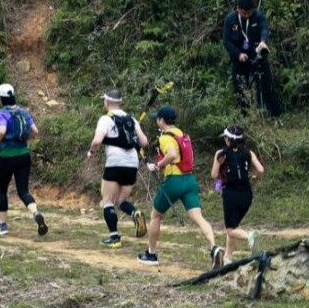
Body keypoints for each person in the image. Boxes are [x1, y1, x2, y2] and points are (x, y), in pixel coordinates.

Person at [139, 106, 223, 269]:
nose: (157, 120)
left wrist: (157, 166)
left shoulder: (165, 137)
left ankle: (151, 253)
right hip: (190, 180)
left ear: (162, 120)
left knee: (155, 215)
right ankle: (214, 247)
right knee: (198, 217)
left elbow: (171, 155)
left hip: (174, 181)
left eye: (158, 118)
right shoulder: (182, 134)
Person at [85, 89, 150, 248]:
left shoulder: (105, 119)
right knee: (121, 201)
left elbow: (97, 140)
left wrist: (91, 151)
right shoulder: (132, 119)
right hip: (132, 163)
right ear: (120, 102)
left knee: (107, 200)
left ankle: (114, 237)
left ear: (106, 102)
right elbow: (144, 142)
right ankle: (135, 213)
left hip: (115, 162)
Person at [0, 83, 48, 237]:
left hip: (6, 157)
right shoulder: (24, 111)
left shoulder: (1, 113)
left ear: (1, 98)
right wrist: (25, 139)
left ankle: (3, 226)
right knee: (23, 191)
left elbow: (2, 130)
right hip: (23, 156)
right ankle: (35, 213)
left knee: (2, 190)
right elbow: (35, 131)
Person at [209, 124, 265, 261]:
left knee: (231, 229)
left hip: (231, 194)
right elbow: (261, 170)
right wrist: (254, 178)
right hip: (247, 194)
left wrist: (218, 186)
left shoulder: (221, 154)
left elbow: (214, 174)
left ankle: (249, 236)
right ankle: (228, 257)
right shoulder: (248, 152)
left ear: (228, 139)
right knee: (234, 225)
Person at [221, 0, 271, 113]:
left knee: (264, 82)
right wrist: (238, 54)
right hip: (239, 57)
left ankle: (267, 110)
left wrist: (263, 41)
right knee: (240, 86)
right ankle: (244, 112)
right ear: (238, 9)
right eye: (244, 13)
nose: (247, 16)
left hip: (256, 55)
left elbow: (264, 28)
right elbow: (226, 41)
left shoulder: (258, 16)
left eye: (249, 13)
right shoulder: (230, 19)